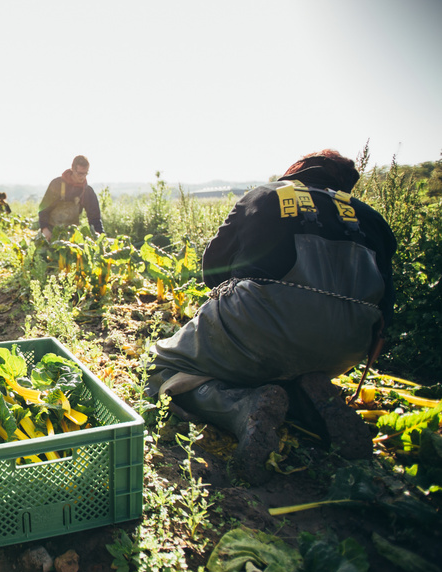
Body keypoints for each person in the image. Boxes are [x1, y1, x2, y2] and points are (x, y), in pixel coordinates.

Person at [146, 149, 397, 484]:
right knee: (286, 363)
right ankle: (304, 397)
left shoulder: (267, 195)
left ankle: (243, 408)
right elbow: (386, 308)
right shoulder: (370, 217)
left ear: (296, 170)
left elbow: (212, 271)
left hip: (261, 326)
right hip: (345, 347)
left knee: (161, 367)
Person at [38, 155, 104, 240]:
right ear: (72, 169)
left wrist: (100, 237)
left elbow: (95, 218)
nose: (83, 177)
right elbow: (43, 209)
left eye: (85, 173)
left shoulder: (87, 191)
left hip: (71, 235)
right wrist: (44, 228)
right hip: (50, 232)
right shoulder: (57, 184)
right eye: (80, 173)